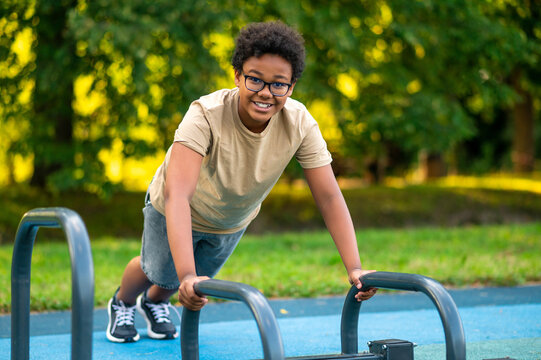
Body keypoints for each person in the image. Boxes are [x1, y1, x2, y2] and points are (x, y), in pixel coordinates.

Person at [106, 20, 377, 343]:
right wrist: (187, 274)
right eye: (255, 80)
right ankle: (122, 302)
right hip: (175, 209)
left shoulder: (300, 123)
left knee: (183, 283)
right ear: (237, 75)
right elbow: (178, 193)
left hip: (230, 221)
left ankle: (153, 303)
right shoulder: (205, 114)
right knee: (161, 270)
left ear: (291, 87)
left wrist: (355, 268)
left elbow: (329, 197)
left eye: (279, 84)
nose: (265, 92)